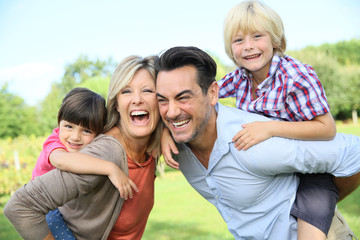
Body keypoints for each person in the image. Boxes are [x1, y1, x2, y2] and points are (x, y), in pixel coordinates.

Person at [160, 1, 339, 238]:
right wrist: (166, 131)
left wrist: (270, 129)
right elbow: (197, 98)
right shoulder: (240, 78)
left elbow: (327, 129)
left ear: (275, 39)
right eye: (239, 40)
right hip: (277, 177)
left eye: (257, 36)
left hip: (311, 175)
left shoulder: (295, 76)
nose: (248, 47)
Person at [4, 55, 163, 240]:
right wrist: (110, 168)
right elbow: (19, 206)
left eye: (148, 91)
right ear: (116, 104)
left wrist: (165, 134)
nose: (137, 99)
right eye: (126, 91)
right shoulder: (105, 153)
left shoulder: (150, 144)